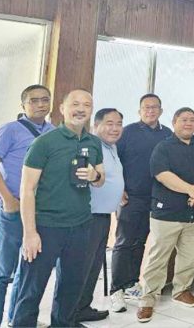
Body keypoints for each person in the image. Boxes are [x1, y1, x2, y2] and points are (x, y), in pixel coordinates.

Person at [13, 89, 105, 327]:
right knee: (31, 289)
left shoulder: (94, 142)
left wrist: (94, 175)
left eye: (87, 104)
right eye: (75, 103)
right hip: (46, 227)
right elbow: (27, 190)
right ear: (62, 108)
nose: (81, 108)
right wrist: (29, 233)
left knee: (71, 286)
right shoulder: (44, 143)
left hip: (81, 226)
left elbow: (101, 178)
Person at [136, 108, 194, 323]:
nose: (188, 124)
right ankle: (147, 298)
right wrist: (191, 190)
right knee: (158, 257)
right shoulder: (163, 147)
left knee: (190, 255)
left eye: (192, 120)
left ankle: (181, 290)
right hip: (167, 213)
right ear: (174, 122)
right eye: (183, 120)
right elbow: (163, 175)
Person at [0, 85, 54, 327]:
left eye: (45, 100)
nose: (41, 104)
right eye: (34, 101)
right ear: (23, 105)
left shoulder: (53, 132)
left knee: (26, 272)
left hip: (37, 212)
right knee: (1, 272)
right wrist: (7, 199)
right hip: (10, 209)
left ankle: (18, 320)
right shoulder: (10, 130)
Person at [111, 94, 172, 312]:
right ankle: (116, 289)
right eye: (146, 108)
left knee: (141, 242)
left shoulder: (167, 134)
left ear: (161, 111)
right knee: (124, 241)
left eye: (155, 107)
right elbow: (113, 161)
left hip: (156, 197)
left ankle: (131, 283)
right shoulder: (127, 132)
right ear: (139, 111)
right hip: (129, 196)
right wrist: (119, 189)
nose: (150, 111)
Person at [76, 109, 125, 323]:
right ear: (96, 125)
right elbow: (79, 176)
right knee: (80, 266)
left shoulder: (110, 147)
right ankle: (69, 314)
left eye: (119, 124)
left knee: (93, 265)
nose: (115, 128)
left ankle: (83, 307)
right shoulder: (88, 145)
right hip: (88, 216)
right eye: (109, 123)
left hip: (103, 215)